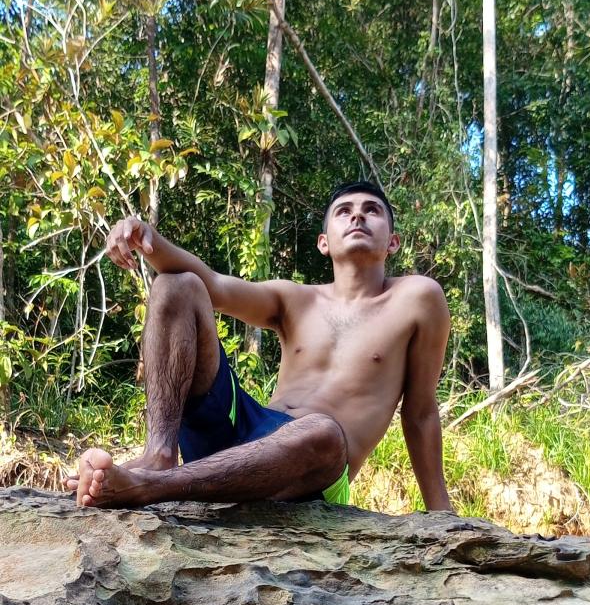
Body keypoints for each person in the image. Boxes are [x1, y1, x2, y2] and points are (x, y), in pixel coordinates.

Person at [67, 181, 453, 512]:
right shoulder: (296, 299)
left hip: (312, 465)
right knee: (176, 285)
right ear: (323, 243)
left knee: (323, 432)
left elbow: (420, 413)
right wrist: (146, 238)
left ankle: (146, 488)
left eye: (371, 210)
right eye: (344, 211)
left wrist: (443, 517)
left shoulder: (417, 298)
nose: (357, 216)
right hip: (246, 435)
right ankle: (159, 456)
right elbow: (213, 285)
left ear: (393, 242)